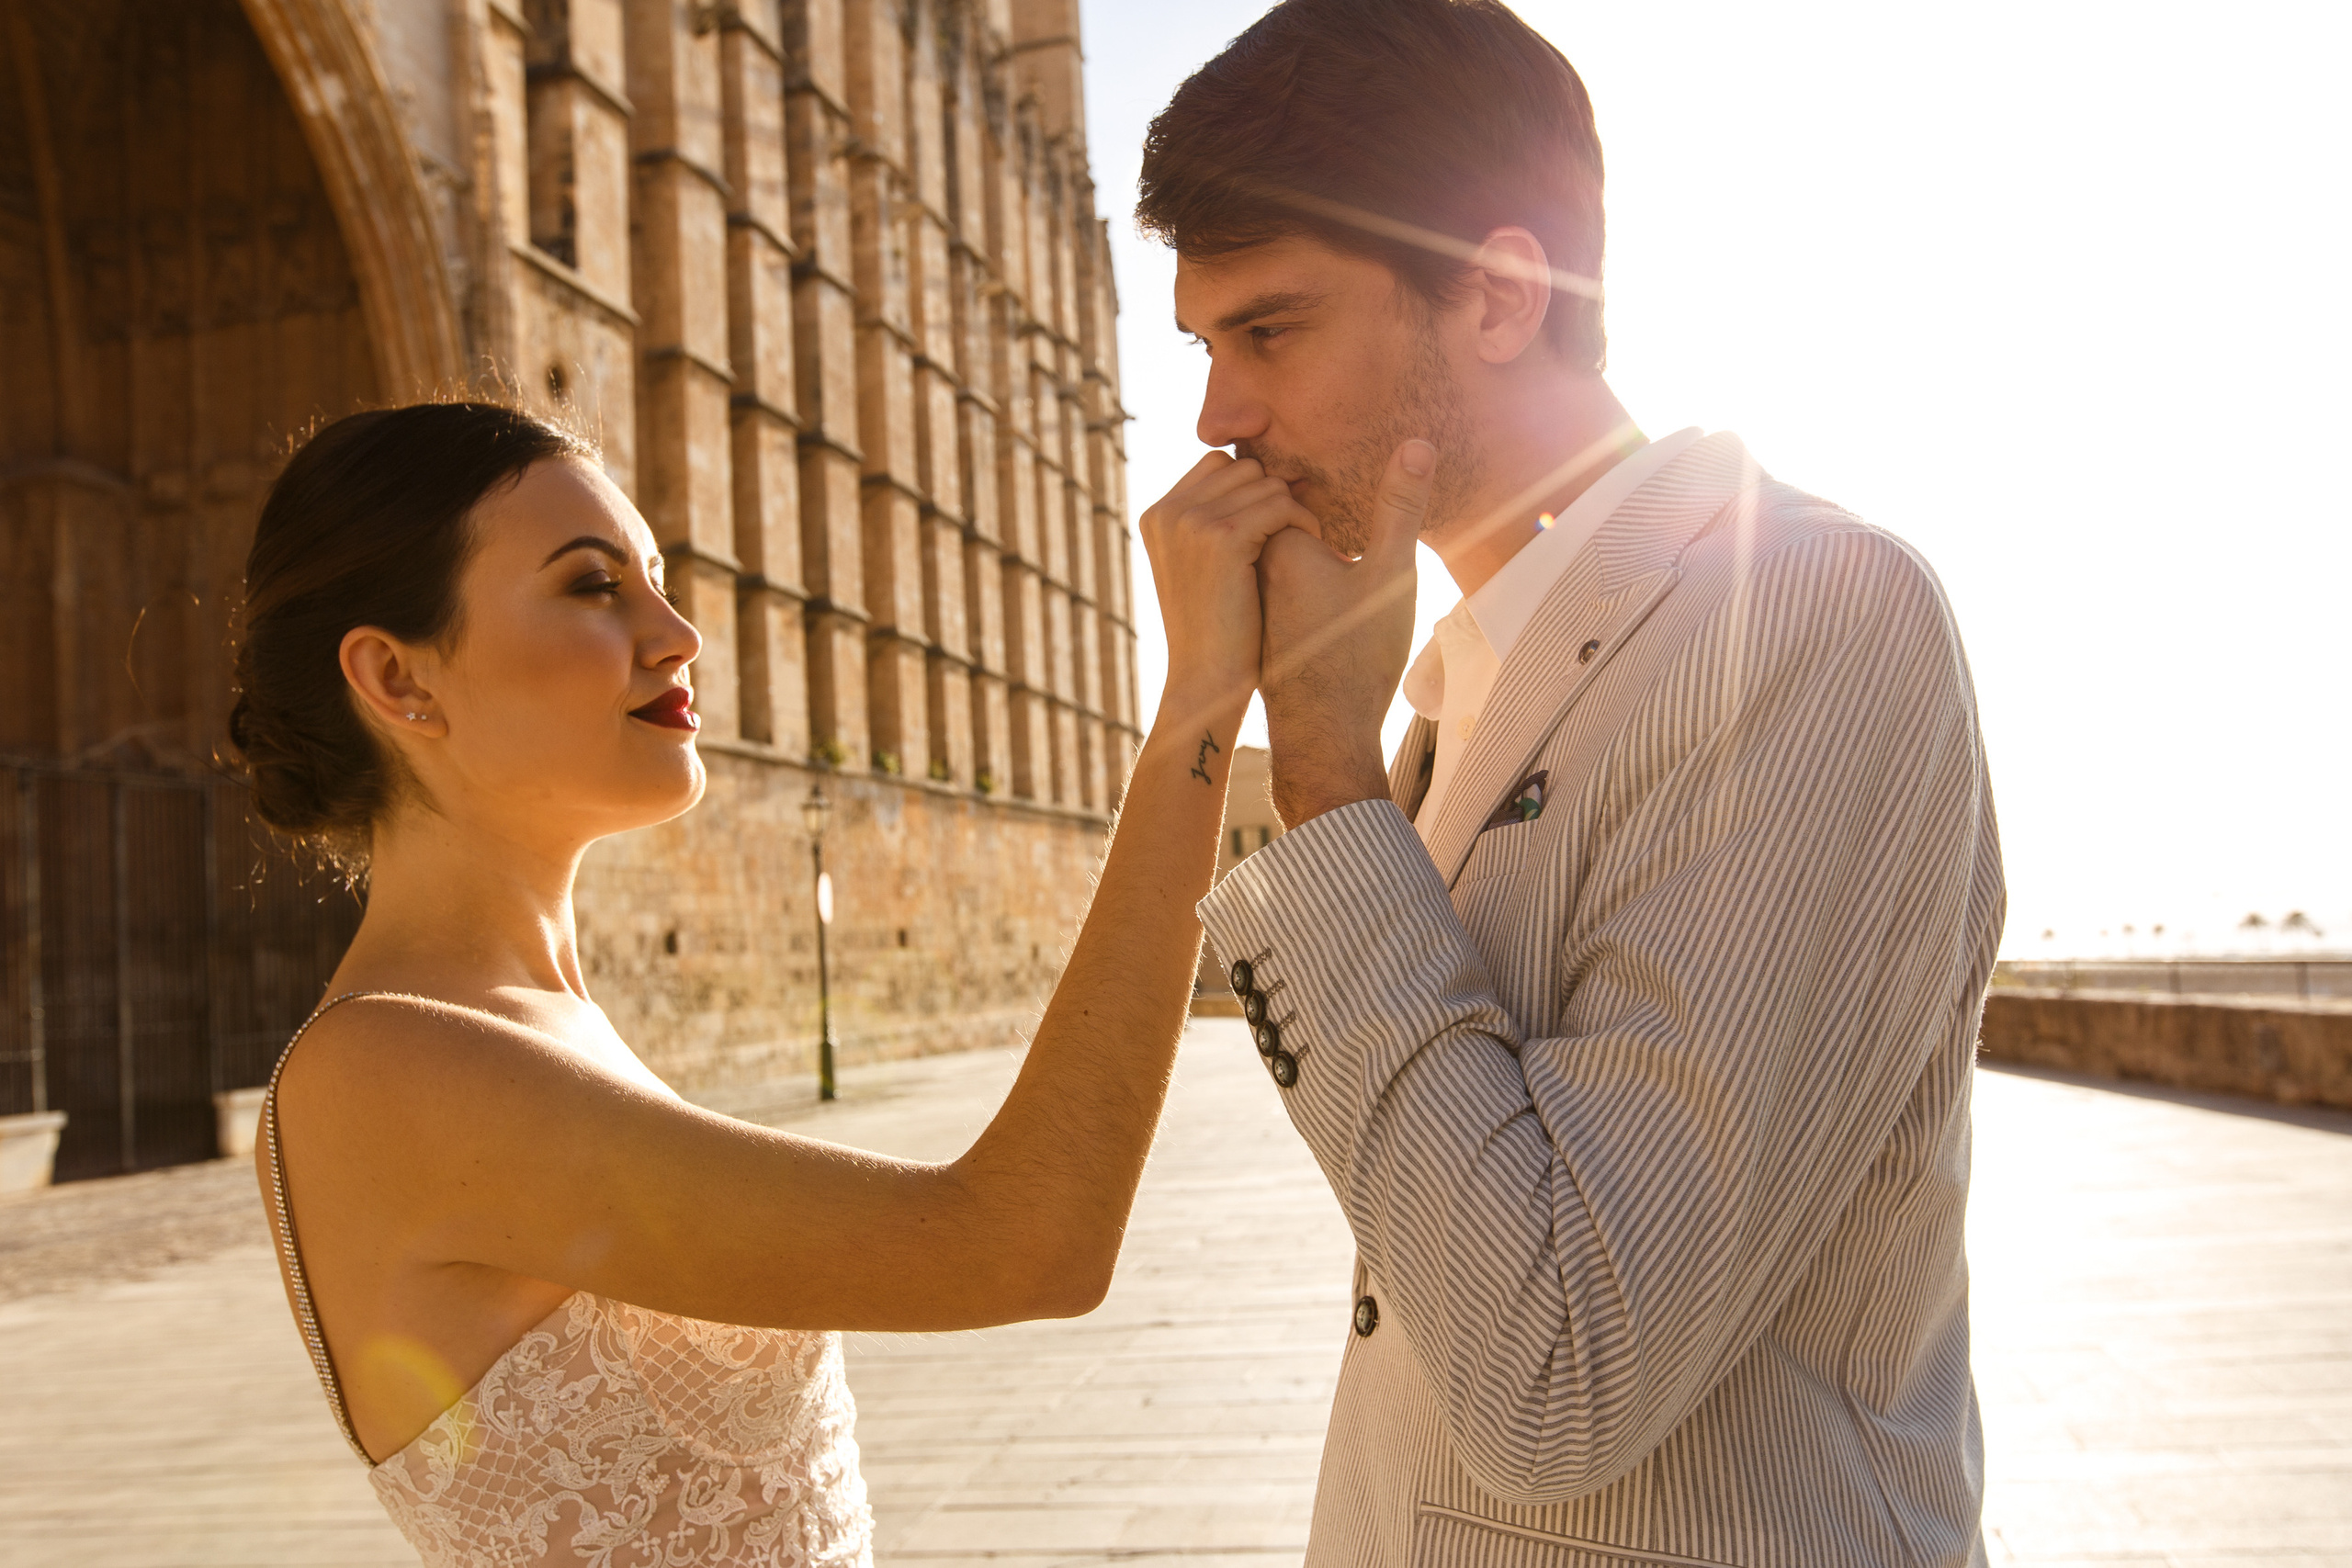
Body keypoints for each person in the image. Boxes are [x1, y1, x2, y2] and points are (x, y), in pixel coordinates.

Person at [1132, 1, 2004, 1563]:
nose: (1217, 416)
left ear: (1502, 292)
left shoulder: (1801, 611)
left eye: (1271, 331)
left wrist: (1322, 771)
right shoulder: (1449, 688)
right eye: (1203, 345)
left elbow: (1560, 1368)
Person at [234, 400, 1295, 1567]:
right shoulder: (388, 1068)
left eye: (658, 579)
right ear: (395, 676)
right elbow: (1023, 1242)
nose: (680, 633)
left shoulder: (541, 1026)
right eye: (595, 587)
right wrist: (1199, 697)